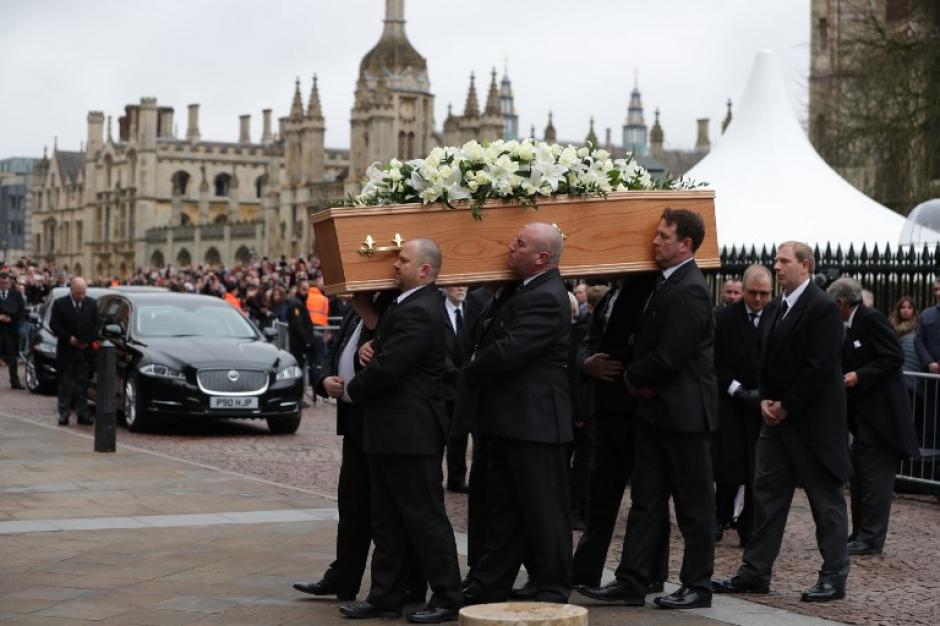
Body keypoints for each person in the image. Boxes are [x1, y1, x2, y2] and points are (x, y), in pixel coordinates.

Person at [580, 208, 717, 610]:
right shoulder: (664, 283)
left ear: (685, 244)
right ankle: (632, 579)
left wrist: (630, 376)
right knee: (646, 499)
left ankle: (697, 585)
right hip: (657, 410)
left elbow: (672, 353)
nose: (655, 242)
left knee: (692, 506)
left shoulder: (689, 287)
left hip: (684, 414)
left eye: (663, 236)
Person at [713, 241, 851, 603]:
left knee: (826, 503)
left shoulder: (821, 307)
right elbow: (765, 360)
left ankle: (834, 577)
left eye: (784, 261)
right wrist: (766, 401)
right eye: (776, 260)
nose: (777, 266)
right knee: (767, 499)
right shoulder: (776, 307)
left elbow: (818, 367)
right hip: (776, 423)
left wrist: (786, 405)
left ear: (805, 265)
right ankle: (755, 572)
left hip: (813, 426)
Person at [340, 239, 463, 624]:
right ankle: (385, 596)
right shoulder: (401, 304)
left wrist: (350, 388)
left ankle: (447, 596)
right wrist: (367, 355)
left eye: (404, 260)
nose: (395, 265)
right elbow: (380, 351)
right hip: (389, 430)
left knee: (425, 518)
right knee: (387, 520)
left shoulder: (422, 310)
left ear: (425, 270)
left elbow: (390, 366)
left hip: (411, 433)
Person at [461, 222, 573, 605]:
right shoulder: (519, 290)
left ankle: (554, 587)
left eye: (520, 243)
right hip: (513, 421)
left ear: (542, 257)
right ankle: (489, 584)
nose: (510, 246)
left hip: (536, 423)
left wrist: (473, 367)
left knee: (544, 511)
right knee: (506, 511)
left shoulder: (547, 296)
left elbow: (507, 350)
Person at [571, 272, 669, 594]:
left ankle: (650, 572)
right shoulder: (611, 295)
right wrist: (587, 363)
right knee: (599, 494)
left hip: (635, 409)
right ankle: (585, 570)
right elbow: (590, 341)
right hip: (607, 409)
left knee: (647, 496)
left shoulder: (646, 291)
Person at [828, 277, 919, 555]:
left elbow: (893, 357)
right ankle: (860, 532)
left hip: (882, 420)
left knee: (875, 481)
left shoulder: (870, 319)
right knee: (860, 476)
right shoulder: (852, 324)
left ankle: (871, 537)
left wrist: (860, 375)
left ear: (842, 302)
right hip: (864, 418)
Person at [712, 264, 773, 548]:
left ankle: (749, 524)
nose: (758, 299)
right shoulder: (724, 318)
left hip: (763, 404)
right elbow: (715, 362)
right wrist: (737, 390)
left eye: (764, 294)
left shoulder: (777, 317)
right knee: (728, 466)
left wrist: (764, 394)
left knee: (756, 472)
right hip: (731, 403)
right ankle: (719, 517)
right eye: (753, 293)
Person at [49, 277, 101, 426]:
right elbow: (54, 324)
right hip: (67, 350)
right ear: (71, 290)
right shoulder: (60, 304)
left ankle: (82, 414)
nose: (81, 296)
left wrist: (88, 340)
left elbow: (97, 324)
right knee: (65, 384)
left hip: (85, 351)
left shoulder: (91, 303)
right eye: (78, 293)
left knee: (82, 384)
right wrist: (68, 338)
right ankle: (64, 414)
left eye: (83, 293)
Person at [442, 285, 471, 493]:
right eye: (456, 283)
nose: (461, 288)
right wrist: (455, 374)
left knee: (461, 435)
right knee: (442, 435)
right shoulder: (437, 311)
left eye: (464, 284)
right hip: (444, 384)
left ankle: (457, 478)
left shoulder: (471, 310)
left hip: (466, 386)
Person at [287, 279, 316, 403]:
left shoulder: (300, 303)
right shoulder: (296, 304)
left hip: (301, 344)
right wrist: (306, 341)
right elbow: (298, 324)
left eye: (307, 289)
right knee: (298, 371)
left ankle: (299, 397)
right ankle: (297, 397)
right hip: (298, 345)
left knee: (301, 370)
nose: (306, 292)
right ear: (298, 289)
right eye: (304, 289)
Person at [0, 271, 27, 389]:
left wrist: (10, 319)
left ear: (10, 283)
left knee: (12, 357)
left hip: (11, 330)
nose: (4, 285)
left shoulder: (16, 294)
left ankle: (15, 381)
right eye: (1, 283)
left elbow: (21, 311)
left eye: (6, 283)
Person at [889, 296, 921, 392]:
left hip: (911, 368)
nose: (906, 310)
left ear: (913, 310)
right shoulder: (890, 326)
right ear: (898, 309)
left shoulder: (919, 326)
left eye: (909, 307)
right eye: (903, 307)